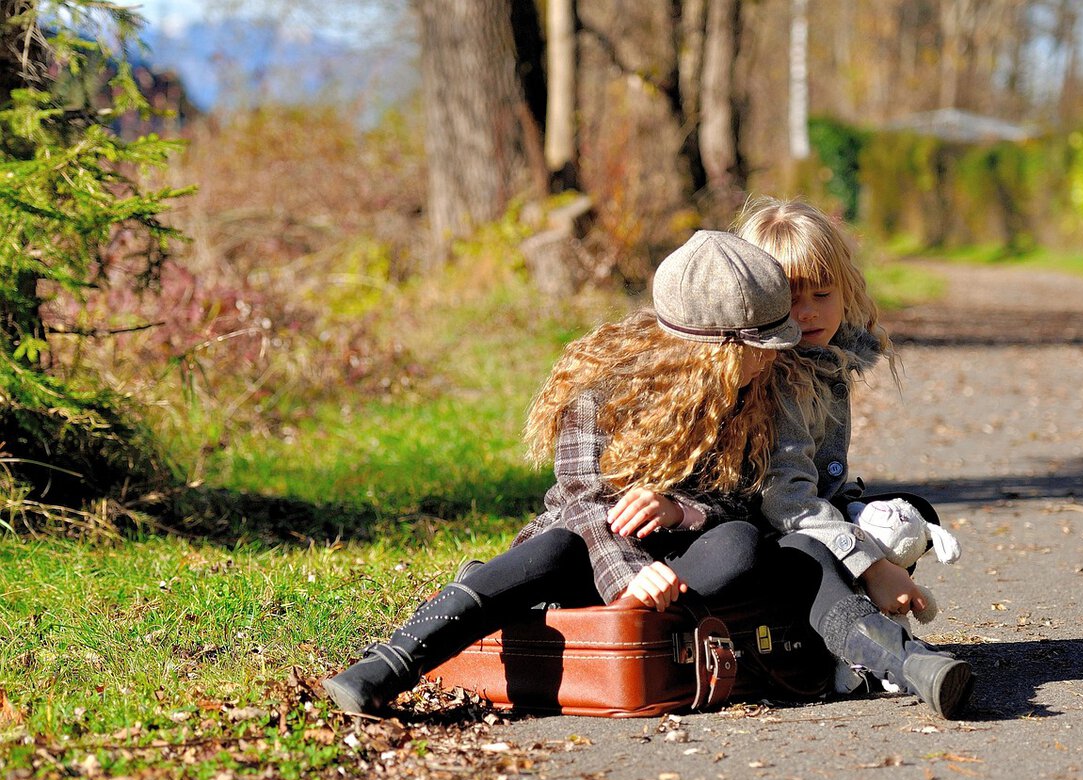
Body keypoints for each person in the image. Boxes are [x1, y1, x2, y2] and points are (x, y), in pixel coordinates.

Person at [322, 230, 802, 716]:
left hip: (679, 565)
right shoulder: (602, 391)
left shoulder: (755, 392)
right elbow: (585, 502)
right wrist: (631, 577)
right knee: (558, 546)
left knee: (741, 541)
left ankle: (611, 629)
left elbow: (744, 498)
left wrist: (679, 510)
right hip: (586, 550)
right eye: (760, 345)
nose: (772, 356)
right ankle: (388, 665)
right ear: (713, 347)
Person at [736, 197, 974, 718]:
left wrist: (862, 516)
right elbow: (786, 498)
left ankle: (868, 647)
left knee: (906, 513)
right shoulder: (776, 376)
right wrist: (871, 565)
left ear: (846, 289)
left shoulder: (824, 362)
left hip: (799, 519)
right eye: (790, 299)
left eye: (823, 294)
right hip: (761, 533)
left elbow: (822, 481)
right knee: (824, 554)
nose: (808, 313)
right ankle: (901, 662)